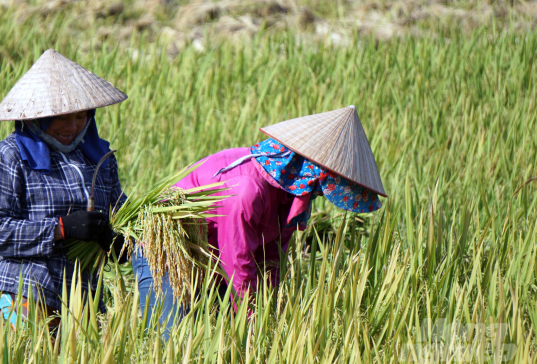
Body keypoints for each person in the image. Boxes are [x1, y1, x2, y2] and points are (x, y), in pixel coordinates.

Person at [132, 105, 387, 335]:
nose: (320, 195)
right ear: (311, 174)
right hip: (166, 254)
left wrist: (267, 311)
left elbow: (271, 258)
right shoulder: (247, 191)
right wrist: (252, 319)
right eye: (323, 187)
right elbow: (238, 262)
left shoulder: (287, 195)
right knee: (172, 343)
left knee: (220, 343)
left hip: (210, 263)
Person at [0, 49, 128, 328]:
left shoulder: (100, 159)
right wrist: (61, 229)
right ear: (38, 116)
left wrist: (119, 241)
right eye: (61, 117)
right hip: (24, 292)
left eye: (81, 116)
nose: (72, 126)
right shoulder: (9, 156)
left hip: (84, 300)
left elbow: (121, 214)